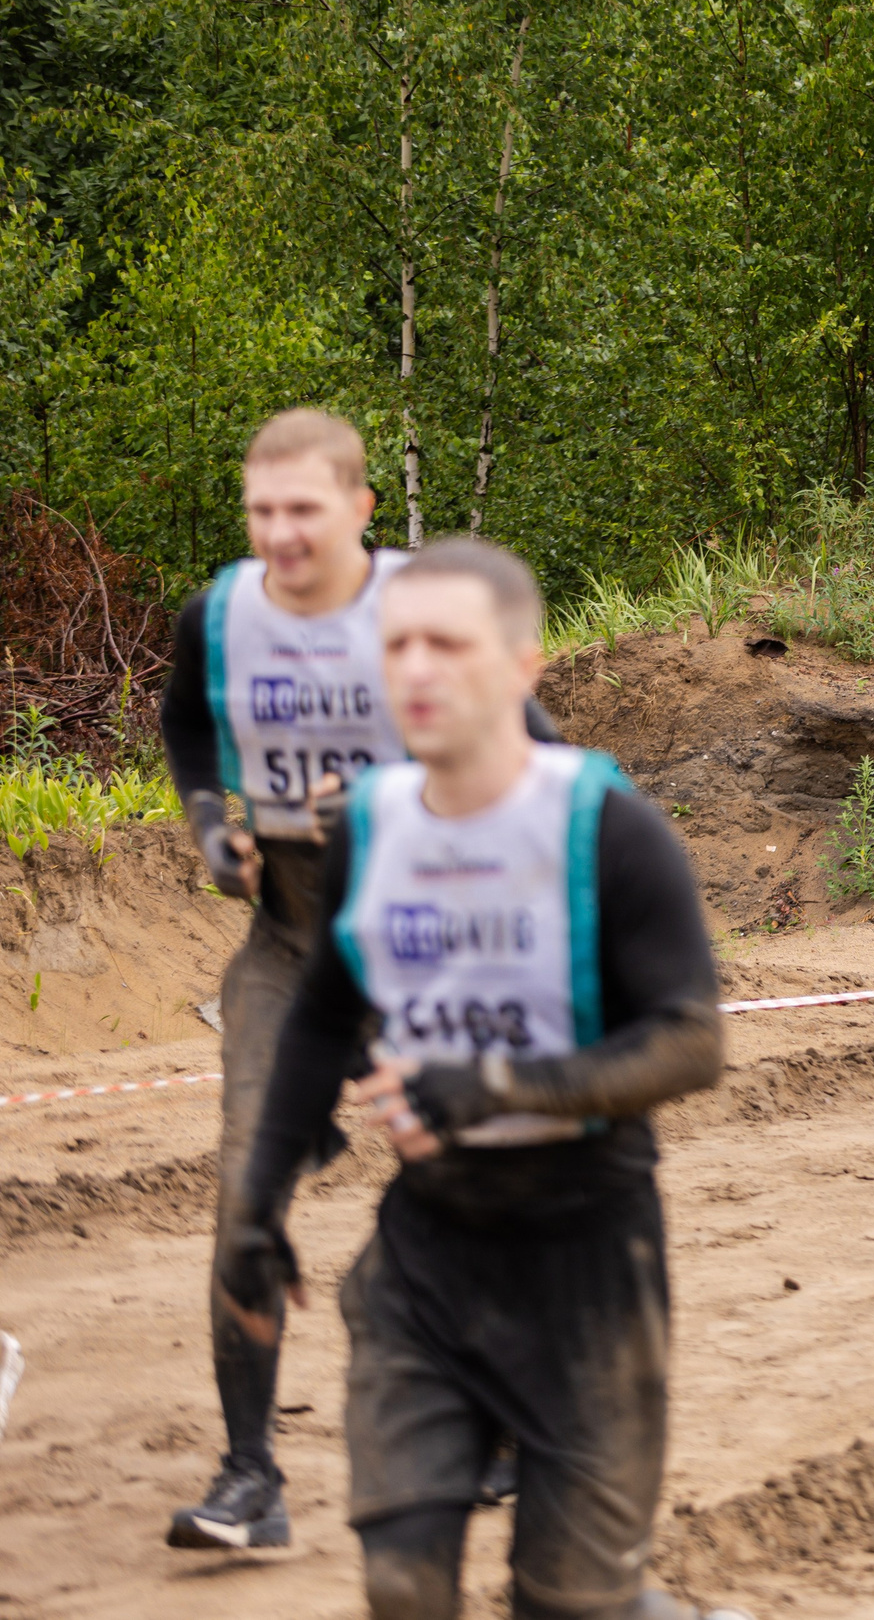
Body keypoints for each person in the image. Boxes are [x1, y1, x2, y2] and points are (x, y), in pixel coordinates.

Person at [218, 538, 748, 1620]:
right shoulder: (372, 822)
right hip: (428, 1262)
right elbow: (322, 1011)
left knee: (568, 1602)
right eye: (395, 646)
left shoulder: (606, 826)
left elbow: (692, 1041)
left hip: (588, 1268)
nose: (414, 670)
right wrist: (258, 1207)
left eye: (447, 645)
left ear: (521, 666)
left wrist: (499, 1084)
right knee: (403, 1584)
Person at [159, 408, 557, 1551]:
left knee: (468, 1183)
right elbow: (187, 723)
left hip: (427, 940)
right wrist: (204, 826)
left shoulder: (419, 612)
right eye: (262, 511)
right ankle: (250, 1478)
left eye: (305, 511)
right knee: (245, 1203)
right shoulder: (221, 615)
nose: (281, 535)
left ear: (360, 511)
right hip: (289, 940)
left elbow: (541, 753)